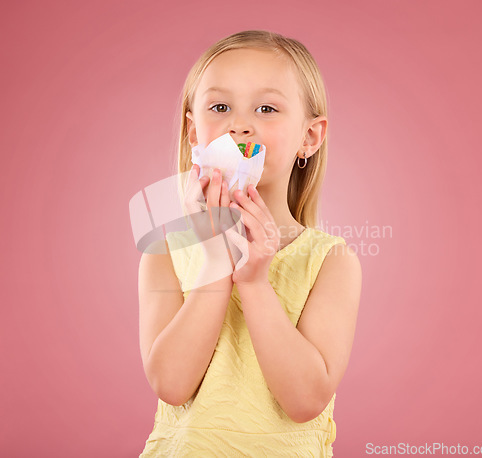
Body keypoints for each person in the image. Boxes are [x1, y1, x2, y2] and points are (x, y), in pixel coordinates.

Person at [137, 30, 362, 457]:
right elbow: (170, 385)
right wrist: (215, 266)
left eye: (266, 108)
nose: (239, 124)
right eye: (220, 107)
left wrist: (256, 283)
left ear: (309, 138)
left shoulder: (331, 262)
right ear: (193, 132)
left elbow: (306, 401)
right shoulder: (164, 251)